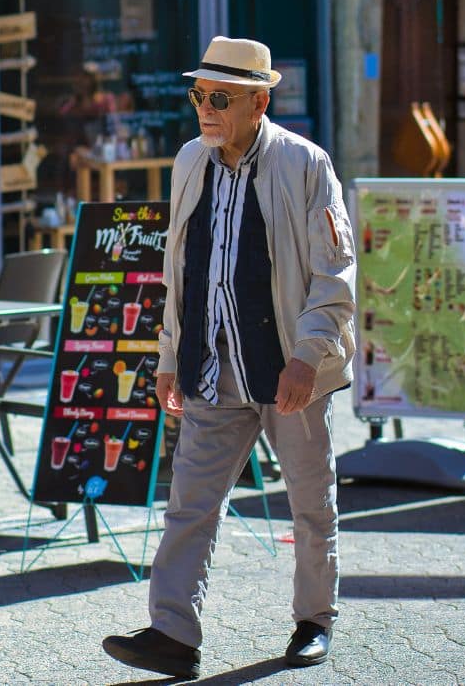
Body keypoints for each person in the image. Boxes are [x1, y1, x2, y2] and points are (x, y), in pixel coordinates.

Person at [102, 36, 356, 680]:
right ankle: (172, 634)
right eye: (199, 96)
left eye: (220, 98)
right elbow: (177, 270)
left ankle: (313, 621)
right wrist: (167, 355)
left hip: (287, 371)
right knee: (189, 502)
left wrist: (307, 356)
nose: (205, 110)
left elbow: (335, 273)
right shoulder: (189, 160)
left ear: (259, 101)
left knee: (309, 500)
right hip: (210, 365)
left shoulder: (306, 164)